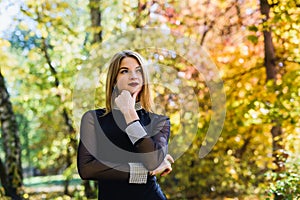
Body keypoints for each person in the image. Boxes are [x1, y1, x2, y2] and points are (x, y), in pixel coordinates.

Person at [77, 50, 174, 200]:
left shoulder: (159, 122)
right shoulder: (93, 119)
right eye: (124, 71)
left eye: (138, 71)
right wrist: (144, 172)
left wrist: (130, 114)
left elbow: (152, 161)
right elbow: (87, 169)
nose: (133, 75)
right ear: (114, 79)